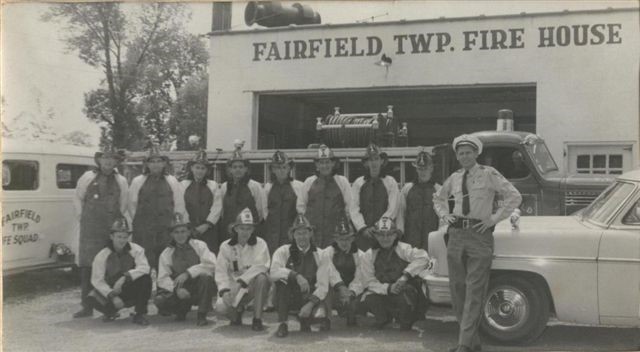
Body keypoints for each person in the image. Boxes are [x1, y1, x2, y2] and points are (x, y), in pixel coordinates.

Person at [433, 134, 522, 352]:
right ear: (457, 156)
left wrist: (493, 219)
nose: (464, 156)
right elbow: (438, 199)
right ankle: (473, 343)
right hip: (455, 235)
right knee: (457, 290)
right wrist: (445, 216)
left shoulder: (488, 174)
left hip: (479, 236)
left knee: (474, 290)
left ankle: (464, 345)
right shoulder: (454, 177)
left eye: (468, 152)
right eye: (461, 153)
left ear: (476, 154)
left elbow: (514, 196)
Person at [73, 145, 129, 318]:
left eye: (112, 158)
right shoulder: (87, 177)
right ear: (99, 160)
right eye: (105, 158)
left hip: (111, 228)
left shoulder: (121, 180)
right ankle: (87, 306)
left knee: (110, 266)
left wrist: (117, 226)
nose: (108, 161)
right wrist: (83, 218)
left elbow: (124, 203)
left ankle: (109, 308)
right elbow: (78, 198)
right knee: (88, 267)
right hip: (90, 229)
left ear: (116, 161)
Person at [360, 217, 430, 330]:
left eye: (389, 234)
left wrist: (405, 276)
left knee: (407, 298)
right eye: (381, 235)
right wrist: (388, 288)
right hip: (384, 290)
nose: (385, 238)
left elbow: (424, 257)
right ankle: (383, 317)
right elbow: (368, 281)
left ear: (395, 235)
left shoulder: (403, 248)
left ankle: (406, 319)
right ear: (375, 236)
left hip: (403, 289)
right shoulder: (368, 255)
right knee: (369, 298)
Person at [270, 214, 330, 337]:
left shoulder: (321, 254)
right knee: (281, 282)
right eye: (298, 233)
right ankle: (283, 323)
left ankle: (305, 319)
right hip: (288, 296)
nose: (302, 237)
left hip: (309, 297)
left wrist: (310, 304)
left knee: (320, 315)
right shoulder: (283, 251)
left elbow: (323, 285)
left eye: (305, 233)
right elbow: (274, 272)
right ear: (293, 235)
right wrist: (295, 275)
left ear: (311, 233)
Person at [130, 145, 187, 270]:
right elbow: (131, 206)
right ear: (147, 164)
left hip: (165, 230)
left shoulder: (172, 181)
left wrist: (176, 229)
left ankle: (164, 288)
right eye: (152, 161)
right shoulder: (137, 181)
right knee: (144, 262)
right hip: (144, 231)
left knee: (166, 263)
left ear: (164, 163)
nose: (156, 164)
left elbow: (179, 205)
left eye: (159, 161)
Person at [154, 213, 216, 326]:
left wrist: (188, 273)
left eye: (183, 231)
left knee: (206, 277)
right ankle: (181, 310)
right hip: (181, 289)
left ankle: (202, 314)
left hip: (198, 287)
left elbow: (211, 264)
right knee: (160, 300)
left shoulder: (199, 245)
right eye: (176, 232)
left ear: (188, 232)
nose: (180, 235)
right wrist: (176, 290)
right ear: (171, 234)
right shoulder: (167, 253)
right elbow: (162, 278)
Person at [87, 217, 151, 325]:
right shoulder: (102, 255)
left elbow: (145, 268)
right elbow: (97, 280)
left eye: (125, 237)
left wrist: (125, 277)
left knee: (145, 279)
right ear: (111, 236)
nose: (122, 240)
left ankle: (139, 314)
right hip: (112, 290)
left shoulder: (136, 250)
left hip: (129, 287)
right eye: (119, 237)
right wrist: (112, 295)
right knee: (91, 297)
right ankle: (111, 312)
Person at [215, 208, 271, 331]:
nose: (245, 232)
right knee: (220, 308)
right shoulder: (226, 246)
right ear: (235, 228)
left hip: (252, 286)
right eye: (242, 228)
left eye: (248, 228)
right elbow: (220, 271)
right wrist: (224, 291)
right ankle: (238, 312)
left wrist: (241, 282)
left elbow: (262, 266)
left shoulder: (260, 244)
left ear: (253, 229)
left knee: (262, 277)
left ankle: (257, 319)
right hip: (233, 288)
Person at [297, 144, 353, 248]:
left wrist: (343, 225)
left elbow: (350, 206)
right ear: (316, 165)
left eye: (327, 162)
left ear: (333, 163)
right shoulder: (309, 182)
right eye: (321, 163)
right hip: (314, 233)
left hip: (335, 233)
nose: (324, 166)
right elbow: (301, 206)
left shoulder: (342, 181)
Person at [213, 140, 265, 248]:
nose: (238, 169)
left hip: (249, 231)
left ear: (246, 169)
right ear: (230, 169)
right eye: (235, 167)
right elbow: (221, 211)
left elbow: (260, 210)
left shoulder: (254, 186)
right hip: (229, 230)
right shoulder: (224, 186)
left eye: (241, 167)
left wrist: (248, 227)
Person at [350, 144, 399, 251]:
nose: (374, 163)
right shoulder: (358, 183)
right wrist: (363, 228)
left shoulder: (390, 182)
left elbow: (393, 208)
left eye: (376, 159)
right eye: (370, 160)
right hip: (364, 236)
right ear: (366, 163)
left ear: (382, 161)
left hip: (385, 235)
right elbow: (353, 209)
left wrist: (378, 227)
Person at [323, 214, 365, 327]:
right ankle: (326, 318)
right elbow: (329, 272)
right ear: (335, 239)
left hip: (351, 292)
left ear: (353, 238)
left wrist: (351, 292)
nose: (344, 243)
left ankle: (352, 313)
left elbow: (360, 278)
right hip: (335, 290)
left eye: (347, 239)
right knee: (324, 286)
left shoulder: (361, 255)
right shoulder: (327, 252)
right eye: (341, 239)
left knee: (364, 292)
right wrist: (341, 288)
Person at [397, 150, 441, 251]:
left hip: (431, 240)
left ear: (431, 168)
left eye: (425, 168)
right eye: (420, 169)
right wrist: (400, 235)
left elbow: (442, 218)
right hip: (411, 239)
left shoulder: (439, 190)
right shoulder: (407, 189)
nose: (423, 172)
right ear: (416, 169)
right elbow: (401, 214)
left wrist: (439, 237)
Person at [263, 150, 303, 254]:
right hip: (272, 233)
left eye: (284, 167)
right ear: (272, 169)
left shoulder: (298, 186)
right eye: (277, 167)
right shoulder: (268, 187)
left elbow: (302, 210)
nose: (281, 171)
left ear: (289, 168)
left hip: (291, 231)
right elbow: (264, 210)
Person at [181, 150, 220, 253]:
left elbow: (217, 207)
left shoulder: (213, 185)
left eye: (203, 168)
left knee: (209, 254)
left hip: (208, 229)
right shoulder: (183, 185)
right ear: (192, 168)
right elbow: (180, 206)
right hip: (189, 229)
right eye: (197, 167)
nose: (200, 171)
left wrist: (207, 225)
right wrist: (188, 225)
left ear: (207, 170)